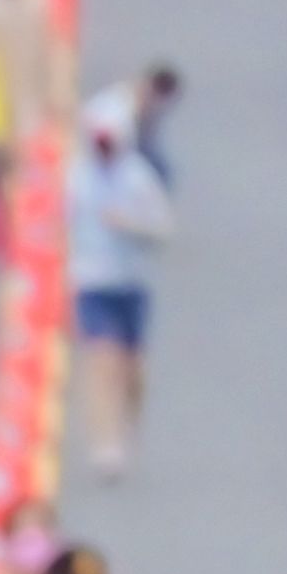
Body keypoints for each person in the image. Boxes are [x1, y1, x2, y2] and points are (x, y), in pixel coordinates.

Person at [67, 101, 175, 479]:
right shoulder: (77, 178)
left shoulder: (138, 179)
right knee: (101, 361)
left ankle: (127, 427)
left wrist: (130, 225)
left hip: (131, 282)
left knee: (132, 371)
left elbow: (163, 228)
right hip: (92, 281)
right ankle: (104, 443)